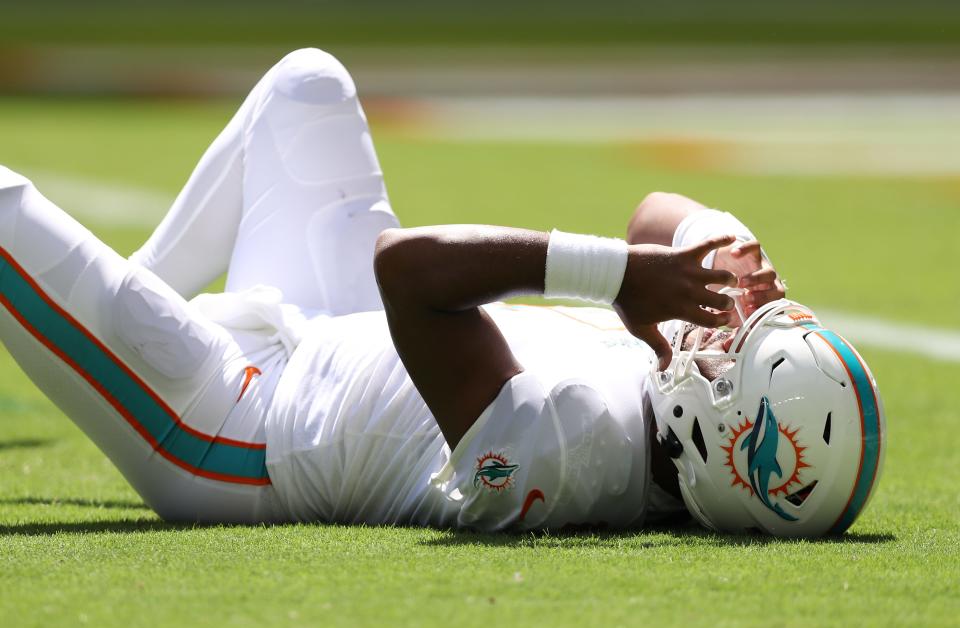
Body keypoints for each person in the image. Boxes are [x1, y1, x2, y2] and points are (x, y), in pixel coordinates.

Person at [0, 49, 884, 536]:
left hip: (234, 428)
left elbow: (410, 271)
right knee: (307, 86)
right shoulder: (673, 417)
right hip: (333, 328)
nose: (720, 335)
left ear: (723, 432)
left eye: (735, 351)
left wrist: (619, 275)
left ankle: (78, 327)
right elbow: (662, 211)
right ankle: (73, 329)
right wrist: (726, 256)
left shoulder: (569, 449)